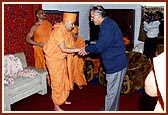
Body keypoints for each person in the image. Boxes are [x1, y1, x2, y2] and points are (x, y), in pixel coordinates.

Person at [78, 5, 128, 111]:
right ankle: (111, 109)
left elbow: (100, 47)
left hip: (116, 64)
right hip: (117, 62)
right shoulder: (107, 23)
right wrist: (90, 46)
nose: (91, 20)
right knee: (114, 93)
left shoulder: (107, 27)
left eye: (92, 17)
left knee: (111, 94)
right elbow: (105, 42)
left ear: (98, 15)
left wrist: (87, 49)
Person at [43, 12, 81, 111]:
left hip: (61, 59)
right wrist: (80, 49)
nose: (73, 27)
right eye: (72, 24)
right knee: (57, 83)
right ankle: (56, 105)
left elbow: (70, 46)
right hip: (54, 61)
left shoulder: (65, 31)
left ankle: (62, 99)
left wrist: (79, 48)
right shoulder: (58, 31)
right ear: (66, 22)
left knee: (64, 80)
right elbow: (64, 49)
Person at [26, 9, 52, 86]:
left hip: (49, 49)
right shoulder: (35, 27)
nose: (44, 14)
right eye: (41, 13)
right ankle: (44, 84)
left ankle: (51, 82)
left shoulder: (48, 24)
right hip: (39, 49)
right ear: (37, 15)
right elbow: (27, 39)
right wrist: (38, 44)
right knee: (41, 66)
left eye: (44, 13)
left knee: (50, 65)